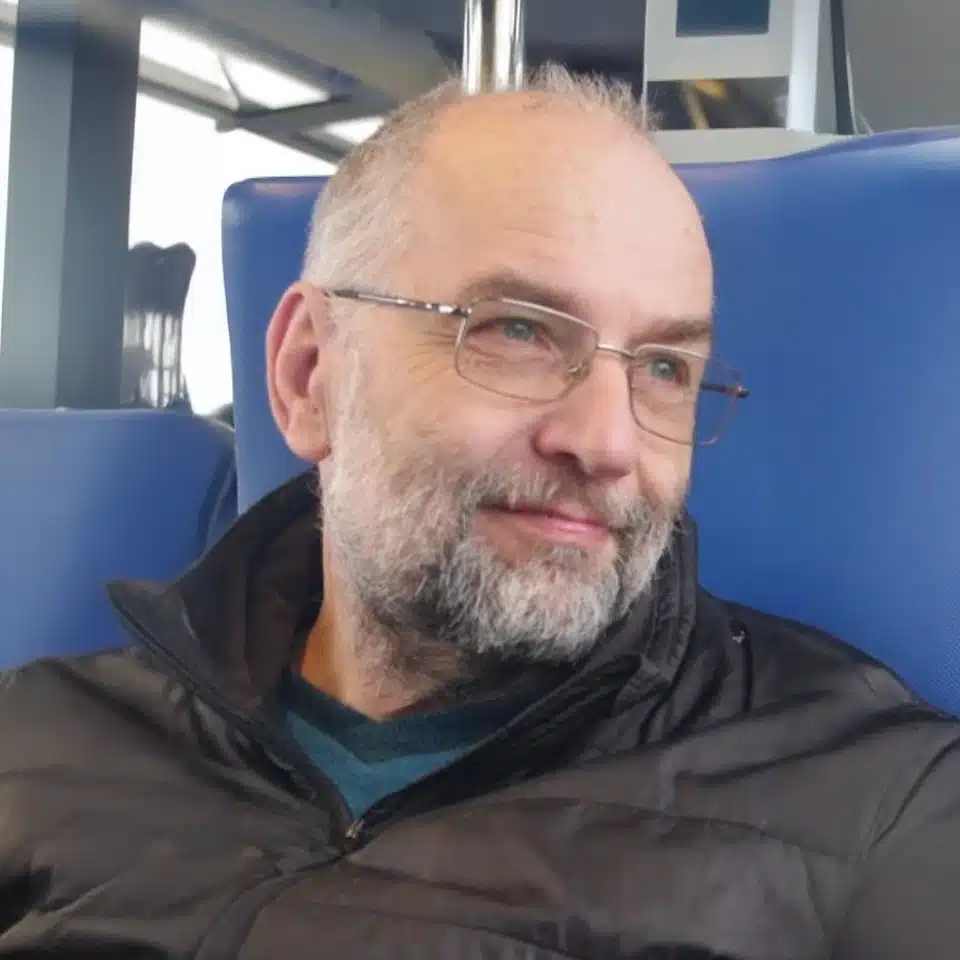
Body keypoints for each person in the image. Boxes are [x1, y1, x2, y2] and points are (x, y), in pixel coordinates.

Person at [0, 67, 958, 960]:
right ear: (308, 374)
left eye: (665, 369)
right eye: (518, 332)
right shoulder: (39, 739)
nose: (609, 443)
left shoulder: (875, 807)